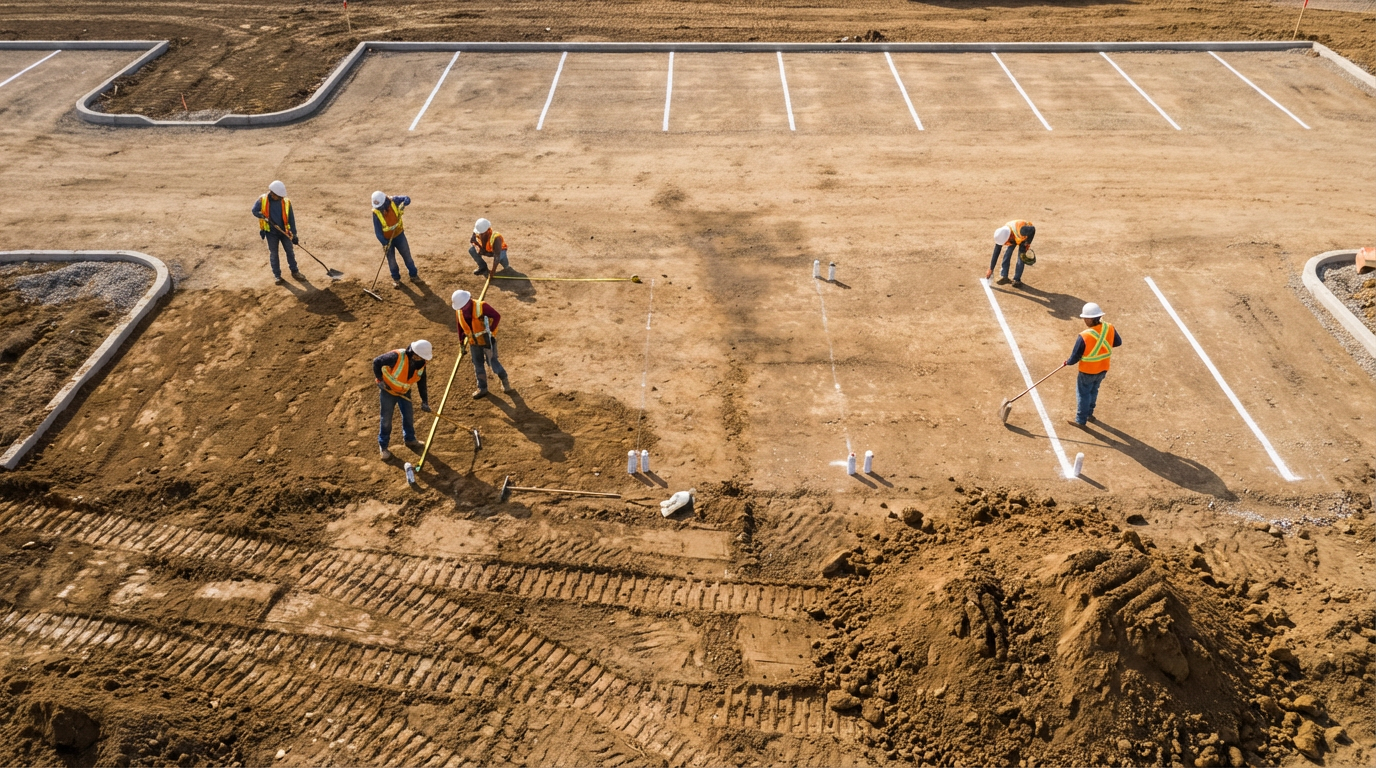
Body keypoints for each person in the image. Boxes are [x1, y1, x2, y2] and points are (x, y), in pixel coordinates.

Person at [1065, 303, 1122, 428]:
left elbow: (1075, 357)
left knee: (1083, 394)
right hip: (1103, 368)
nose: (1084, 320)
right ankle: (1089, 414)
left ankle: (1081, 419)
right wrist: (1102, 346)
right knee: (1093, 391)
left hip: (1087, 371)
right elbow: (1118, 342)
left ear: (1091, 319)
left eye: (1085, 318)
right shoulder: (1109, 327)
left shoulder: (1084, 336)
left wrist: (1067, 362)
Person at [372, 340, 432, 459]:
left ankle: (410, 439)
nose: (419, 359)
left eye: (422, 358)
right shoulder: (396, 356)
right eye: (418, 356)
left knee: (408, 416)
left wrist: (424, 401)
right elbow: (376, 362)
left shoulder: (421, 364)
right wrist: (380, 380)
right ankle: (383, 446)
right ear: (413, 352)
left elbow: (422, 382)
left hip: (404, 392)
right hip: (388, 392)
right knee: (386, 420)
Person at [451, 289, 512, 398]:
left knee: (493, 363)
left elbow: (497, 316)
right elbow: (460, 326)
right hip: (473, 343)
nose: (462, 309)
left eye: (463, 306)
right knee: (477, 365)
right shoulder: (459, 310)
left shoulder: (481, 306)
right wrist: (461, 342)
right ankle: (482, 388)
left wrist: (491, 331)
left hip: (487, 341)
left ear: (468, 301)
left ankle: (504, 380)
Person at [251, 180, 300, 284]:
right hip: (271, 233)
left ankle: (295, 271)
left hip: (284, 232)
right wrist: (264, 217)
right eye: (279, 197)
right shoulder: (262, 200)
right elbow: (254, 211)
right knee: (274, 254)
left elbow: (291, 218)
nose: (281, 198)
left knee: (290, 251)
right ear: (273, 193)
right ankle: (277, 276)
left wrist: (294, 234)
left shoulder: (286, 202)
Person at [371, 191, 419, 288]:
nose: (379, 209)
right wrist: (385, 243)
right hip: (387, 240)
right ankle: (396, 279)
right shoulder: (376, 213)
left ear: (385, 201)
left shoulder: (394, 201)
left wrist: (404, 203)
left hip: (399, 235)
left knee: (407, 256)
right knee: (391, 261)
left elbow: (407, 198)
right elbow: (378, 232)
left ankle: (414, 275)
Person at [986, 220, 1035, 287]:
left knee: (1021, 258)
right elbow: (996, 252)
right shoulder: (1002, 233)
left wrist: (1028, 242)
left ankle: (1017, 280)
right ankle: (1004, 276)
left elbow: (1033, 229)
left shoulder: (1022, 230)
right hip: (1014, 236)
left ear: (1009, 236)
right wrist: (991, 268)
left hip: (1023, 238)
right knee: (1007, 253)